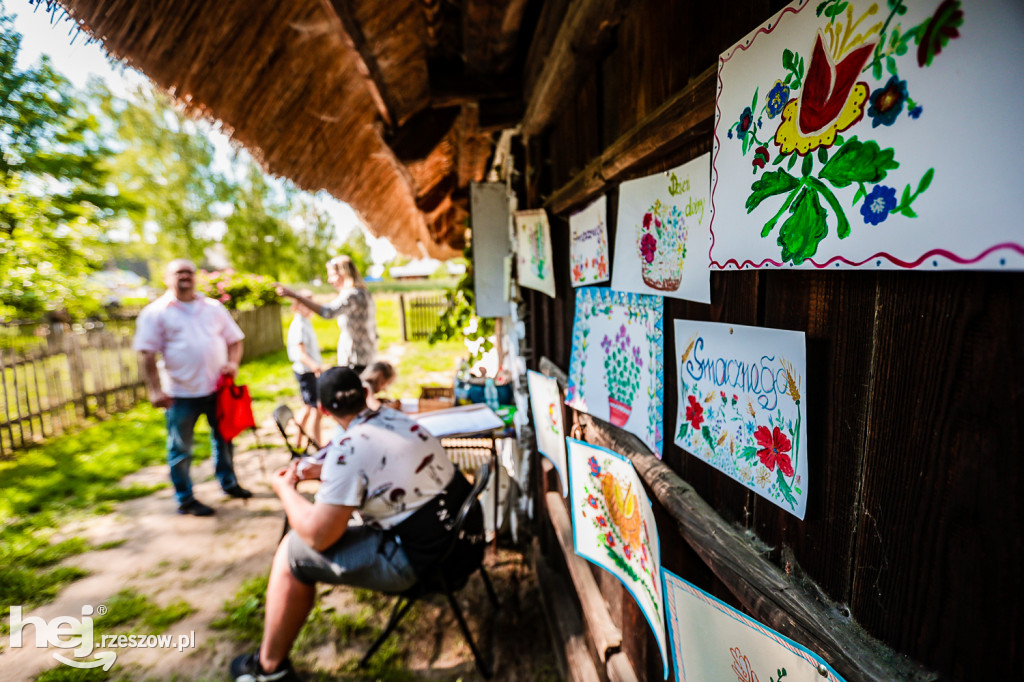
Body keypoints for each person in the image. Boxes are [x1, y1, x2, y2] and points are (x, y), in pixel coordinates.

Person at [230, 367, 475, 682]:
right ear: (364, 394)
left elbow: (319, 537)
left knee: (292, 553)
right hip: (459, 540)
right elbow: (371, 461)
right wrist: (324, 470)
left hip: (425, 562)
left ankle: (268, 668)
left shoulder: (346, 451)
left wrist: (285, 490)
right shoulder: (394, 419)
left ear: (323, 409)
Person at [133, 259, 252, 516]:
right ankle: (185, 499)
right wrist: (154, 390)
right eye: (179, 272)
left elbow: (235, 340)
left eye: (189, 272)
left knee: (224, 440)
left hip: (218, 391)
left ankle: (229, 484)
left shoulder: (213, 307)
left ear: (196, 277)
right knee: (180, 449)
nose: (185, 276)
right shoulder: (156, 312)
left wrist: (233, 363)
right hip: (180, 394)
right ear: (167, 278)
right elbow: (146, 354)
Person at [277, 255, 377, 373]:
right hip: (366, 356)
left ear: (342, 272)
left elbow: (327, 311)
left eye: (331, 275)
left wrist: (296, 296)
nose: (329, 280)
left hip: (356, 360)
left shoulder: (352, 295)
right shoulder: (363, 293)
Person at [286, 290, 323, 450]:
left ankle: (299, 443)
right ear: (297, 306)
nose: (310, 307)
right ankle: (317, 444)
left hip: (308, 371)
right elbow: (300, 353)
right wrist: (315, 367)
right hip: (307, 372)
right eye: (305, 303)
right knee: (316, 409)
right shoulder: (299, 325)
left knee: (309, 408)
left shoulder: (305, 322)